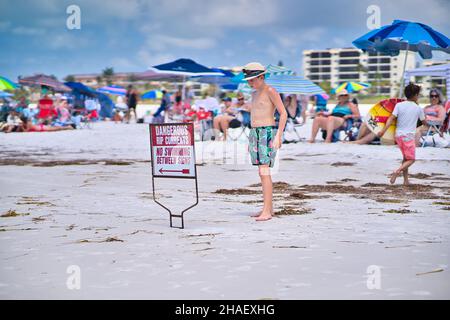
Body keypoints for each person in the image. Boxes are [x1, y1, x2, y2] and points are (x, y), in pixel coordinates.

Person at [243, 62, 287, 221]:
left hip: (267, 132)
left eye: (252, 80)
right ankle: (268, 208)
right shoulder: (254, 94)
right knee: (261, 172)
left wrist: (278, 135)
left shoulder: (271, 91)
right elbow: (255, 113)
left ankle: (267, 211)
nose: (250, 83)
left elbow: (283, 114)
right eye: (248, 80)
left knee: (264, 171)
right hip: (255, 132)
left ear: (262, 77)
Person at [377, 83, 426, 185]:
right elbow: (424, 122)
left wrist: (383, 131)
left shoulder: (399, 105)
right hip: (408, 137)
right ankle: (397, 171)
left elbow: (391, 119)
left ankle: (405, 181)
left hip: (398, 136)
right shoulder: (418, 108)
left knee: (406, 158)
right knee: (411, 160)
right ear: (416, 95)